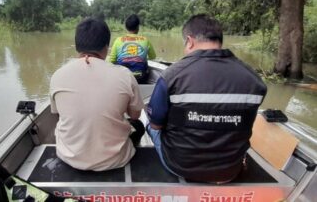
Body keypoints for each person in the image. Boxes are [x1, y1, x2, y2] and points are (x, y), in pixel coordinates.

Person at [147, 14, 267, 183]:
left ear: (189, 41)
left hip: (179, 166)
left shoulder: (172, 75)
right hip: (230, 171)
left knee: (149, 126)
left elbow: (156, 125)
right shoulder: (254, 79)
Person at [49, 18, 145, 171]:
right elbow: (134, 116)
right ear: (107, 46)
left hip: (68, 157)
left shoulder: (57, 76)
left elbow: (57, 114)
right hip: (115, 160)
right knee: (138, 126)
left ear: (77, 46)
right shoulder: (124, 75)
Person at [109, 14, 156, 83]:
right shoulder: (145, 40)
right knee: (145, 62)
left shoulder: (118, 40)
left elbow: (111, 61)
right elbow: (153, 57)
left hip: (123, 78)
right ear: (138, 27)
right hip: (140, 77)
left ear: (126, 27)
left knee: (117, 62)